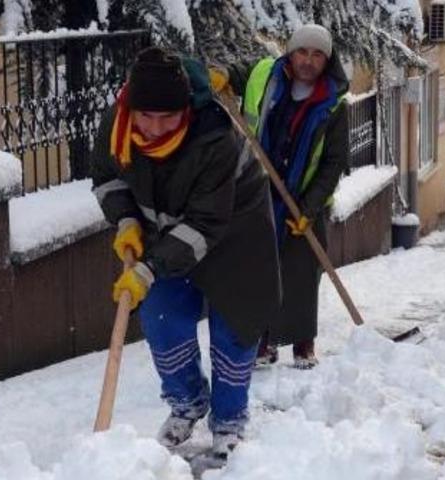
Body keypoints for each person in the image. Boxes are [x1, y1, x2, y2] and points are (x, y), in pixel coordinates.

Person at [90, 47, 281, 467]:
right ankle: (187, 402)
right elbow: (107, 179)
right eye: (146, 116)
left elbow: (205, 224)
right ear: (129, 107)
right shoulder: (118, 125)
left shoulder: (215, 138)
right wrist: (125, 221)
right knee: (161, 318)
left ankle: (229, 419)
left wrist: (148, 268)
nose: (155, 128)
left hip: (235, 230)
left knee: (234, 326)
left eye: (168, 118)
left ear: (187, 111)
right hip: (164, 229)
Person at [215, 24, 350, 369]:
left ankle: (303, 344)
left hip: (307, 198)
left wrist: (309, 207)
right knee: (260, 270)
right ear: (290, 52)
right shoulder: (266, 74)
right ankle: (263, 341)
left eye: (317, 54)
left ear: (327, 60)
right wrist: (223, 75)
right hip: (259, 191)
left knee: (303, 272)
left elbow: (334, 162)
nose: (308, 60)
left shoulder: (334, 103)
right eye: (302, 51)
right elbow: (239, 73)